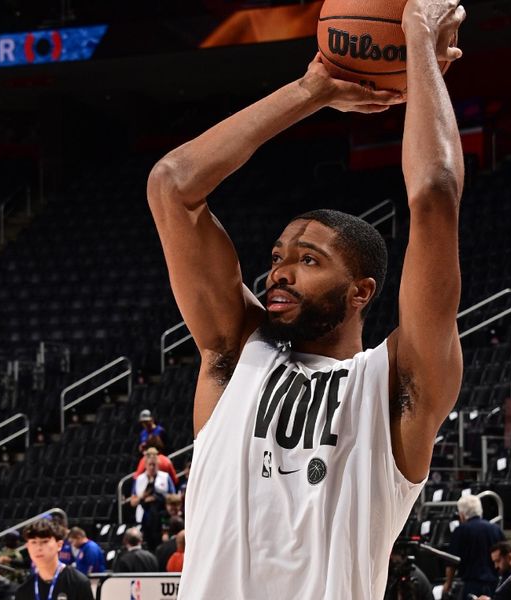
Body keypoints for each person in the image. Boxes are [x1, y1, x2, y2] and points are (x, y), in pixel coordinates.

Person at [147, 0, 466, 596]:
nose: (280, 273)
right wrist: (313, 88)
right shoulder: (235, 352)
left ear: (361, 292)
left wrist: (417, 35)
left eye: (308, 260)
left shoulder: (397, 384)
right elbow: (172, 186)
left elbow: (436, 194)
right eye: (276, 259)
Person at [444, 495, 505, 599]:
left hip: (471, 585)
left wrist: (448, 584)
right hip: (494, 583)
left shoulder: (460, 530)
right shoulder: (495, 529)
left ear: (462, 515)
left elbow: (452, 562)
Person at [15, 519, 93, 600]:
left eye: (45, 541)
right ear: (28, 547)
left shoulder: (78, 583)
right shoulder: (23, 591)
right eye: (33, 542)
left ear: (59, 545)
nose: (38, 548)